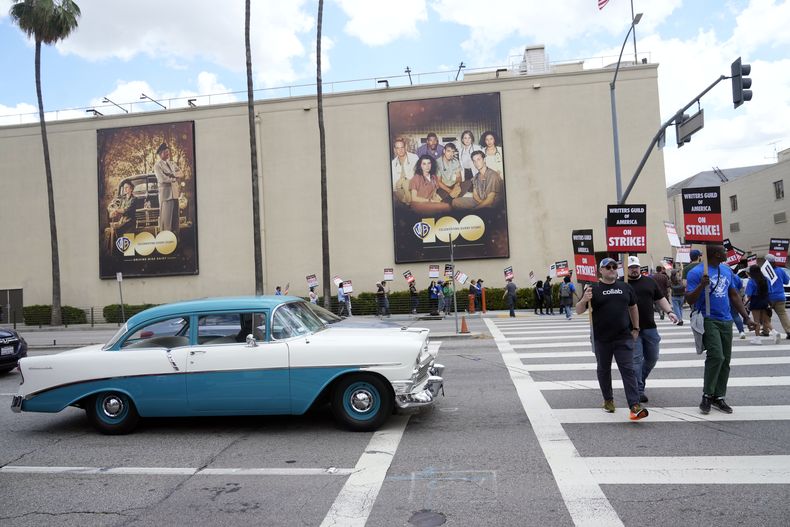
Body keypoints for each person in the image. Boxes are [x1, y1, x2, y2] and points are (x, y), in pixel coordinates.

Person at [686, 244, 755, 414]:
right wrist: (702, 285)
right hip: (709, 319)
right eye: (723, 251)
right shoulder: (697, 272)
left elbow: (733, 294)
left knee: (725, 361)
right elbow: (689, 300)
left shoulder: (726, 270)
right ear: (716, 254)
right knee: (716, 356)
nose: (726, 253)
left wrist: (746, 317)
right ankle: (707, 395)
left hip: (726, 320)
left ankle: (719, 397)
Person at [576, 257, 648, 420]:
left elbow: (633, 307)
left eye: (614, 266)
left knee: (628, 370)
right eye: (607, 267)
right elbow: (579, 310)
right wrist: (584, 300)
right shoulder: (592, 288)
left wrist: (636, 328)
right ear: (600, 270)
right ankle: (608, 400)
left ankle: (634, 406)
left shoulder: (625, 287)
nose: (611, 269)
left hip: (623, 337)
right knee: (603, 369)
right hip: (601, 338)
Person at [626, 256, 679, 403]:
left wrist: (670, 312)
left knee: (652, 358)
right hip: (631, 329)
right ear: (626, 269)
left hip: (650, 327)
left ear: (639, 267)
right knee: (636, 360)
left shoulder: (649, 281)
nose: (634, 270)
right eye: (631, 267)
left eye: (636, 267)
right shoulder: (622, 284)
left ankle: (639, 380)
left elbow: (660, 298)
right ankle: (638, 390)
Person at [153, 143, 183, 234]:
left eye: (168, 152)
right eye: (166, 152)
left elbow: (181, 173)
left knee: (175, 221)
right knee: (166, 221)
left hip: (175, 194)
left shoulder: (172, 163)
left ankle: (176, 240)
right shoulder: (157, 166)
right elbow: (162, 179)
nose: (168, 154)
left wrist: (173, 175)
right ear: (160, 154)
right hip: (166, 196)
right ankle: (166, 242)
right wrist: (174, 178)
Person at [764, 253, 790, 340]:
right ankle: (789, 331)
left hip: (769, 297)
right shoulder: (781, 270)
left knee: (766, 315)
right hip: (780, 296)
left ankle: (766, 331)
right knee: (783, 314)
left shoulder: (764, 271)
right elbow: (786, 282)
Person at [745, 264, 772, 345]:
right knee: (765, 320)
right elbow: (770, 291)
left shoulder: (752, 280)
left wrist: (745, 303)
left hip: (755, 301)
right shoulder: (766, 279)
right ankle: (774, 332)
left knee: (756, 321)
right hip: (764, 300)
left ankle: (757, 339)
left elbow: (749, 294)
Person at [391, 137, 418, 205]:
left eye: (402, 147)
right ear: (395, 150)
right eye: (397, 148)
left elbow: (417, 174)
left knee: (406, 183)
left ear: (405, 147)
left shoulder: (414, 158)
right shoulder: (393, 163)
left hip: (412, 187)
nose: (400, 150)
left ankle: (409, 202)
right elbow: (394, 183)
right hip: (399, 190)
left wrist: (404, 179)